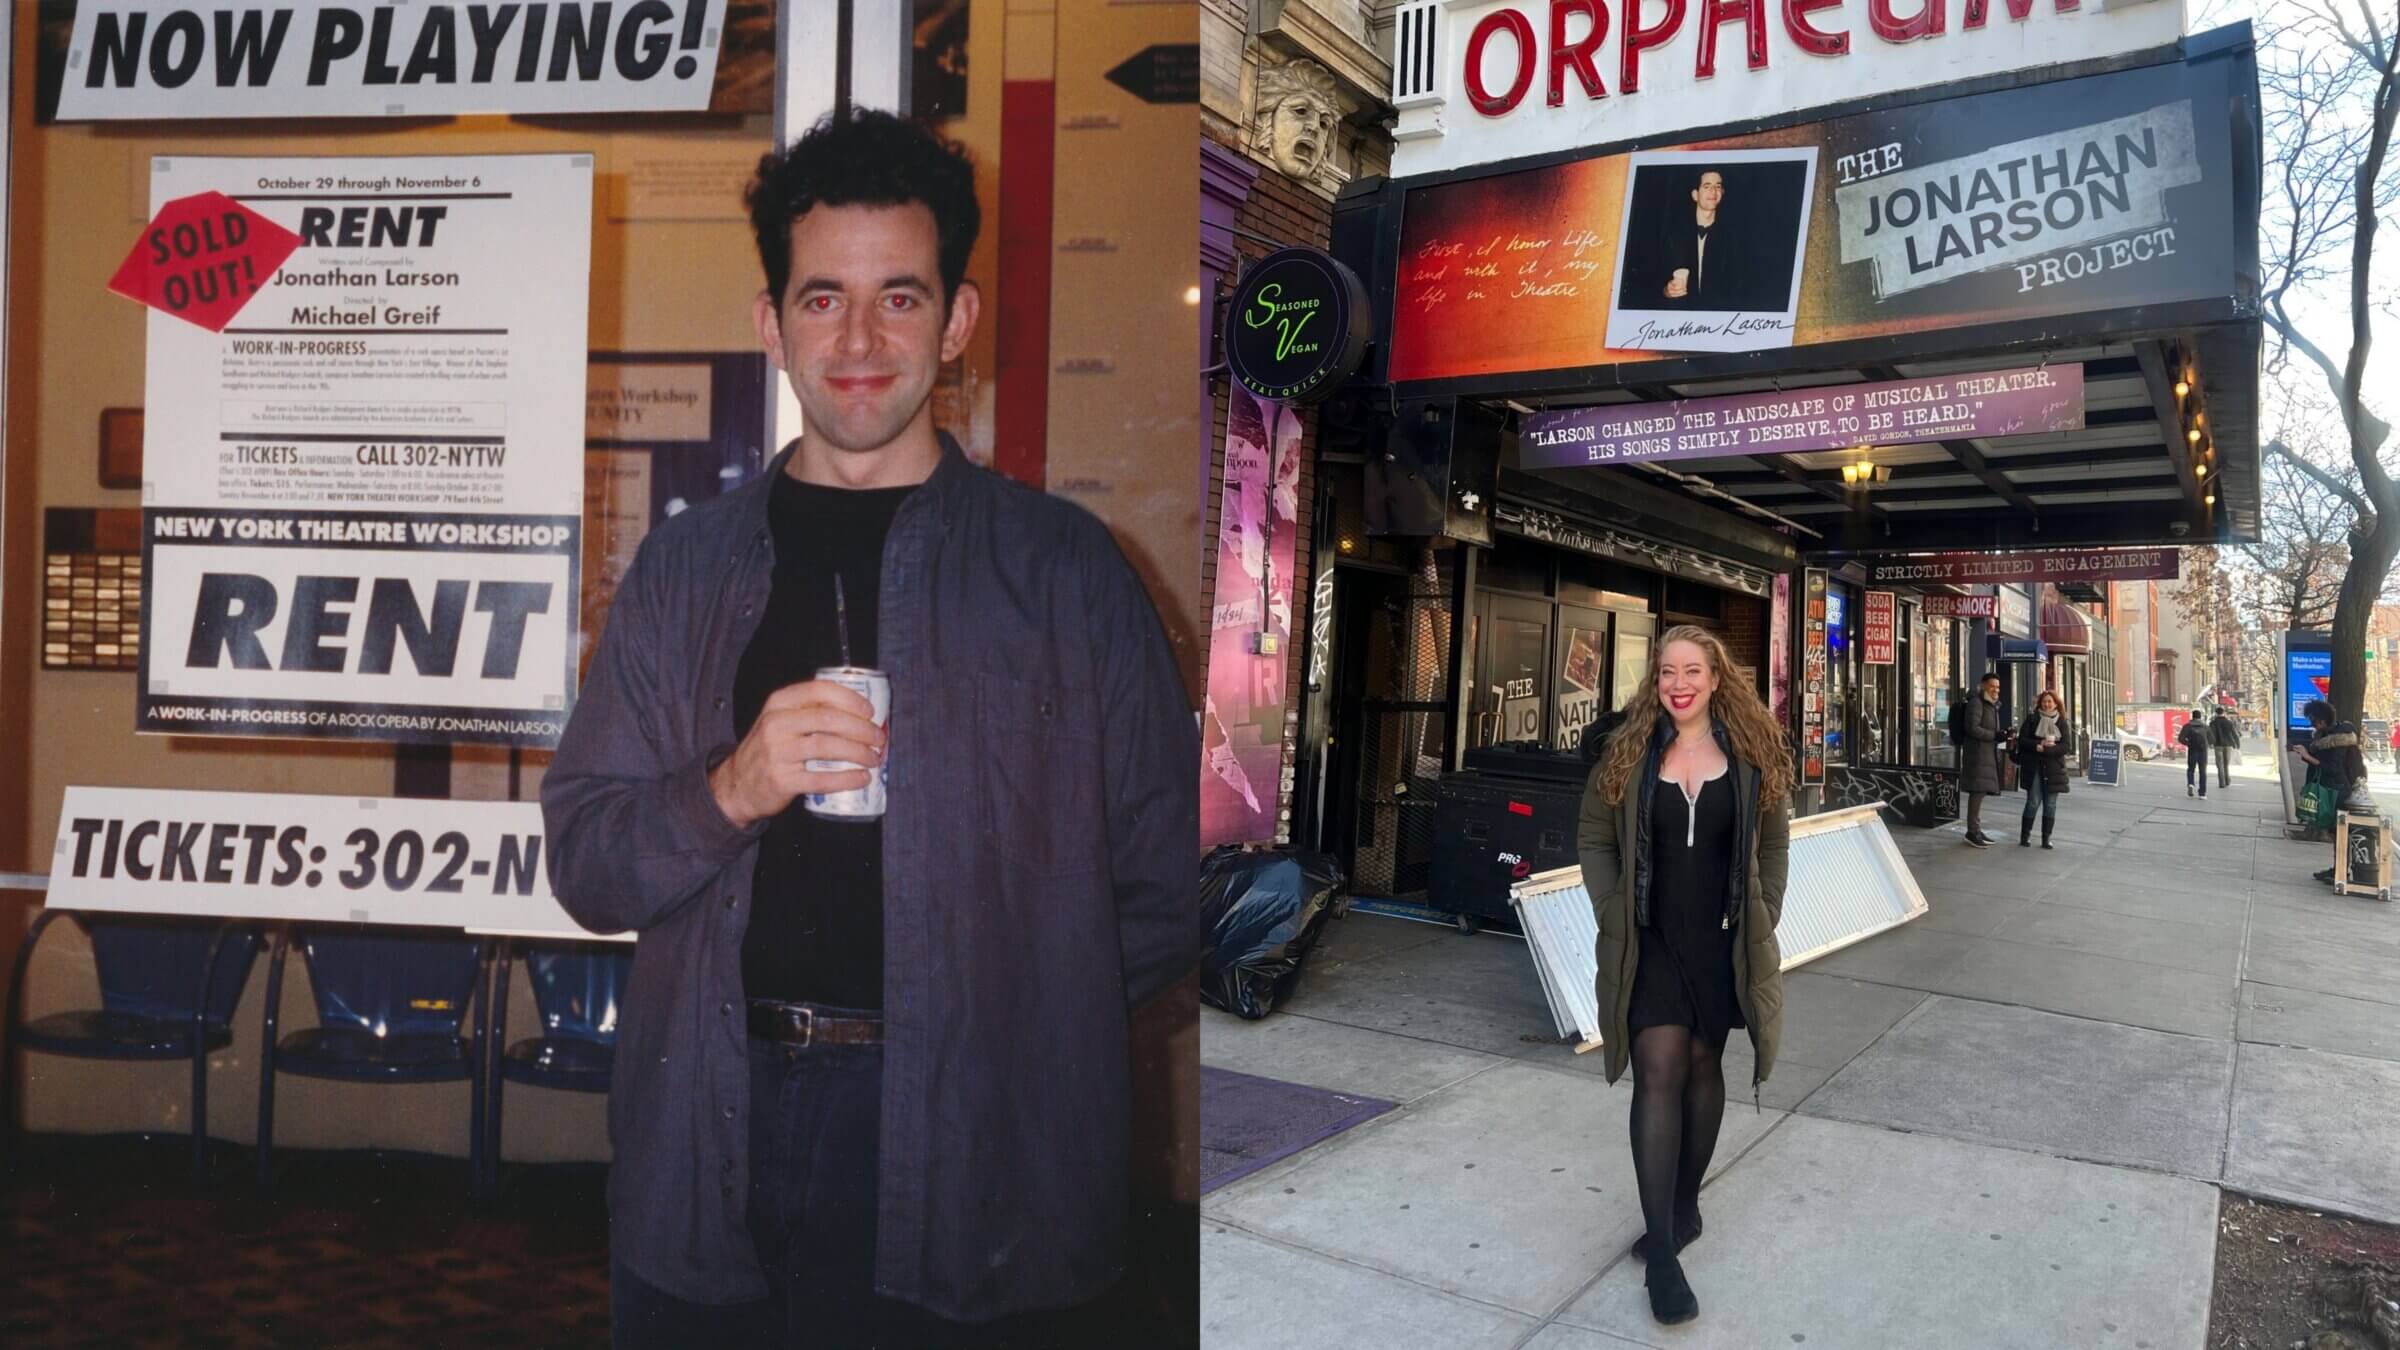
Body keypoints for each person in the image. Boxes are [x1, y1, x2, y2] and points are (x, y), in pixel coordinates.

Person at [541, 110, 1198, 1349]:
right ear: (771, 322)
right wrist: (731, 785)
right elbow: (585, 862)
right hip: (709, 1144)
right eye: (821, 299)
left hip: (975, 1159)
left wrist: (1005, 1027)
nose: (855, 340)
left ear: (955, 321)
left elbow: (1161, 892)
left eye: (899, 299)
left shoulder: (1066, 576)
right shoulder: (682, 573)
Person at [1578, 625, 1792, 1328]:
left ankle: (1685, 1203)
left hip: (1719, 941)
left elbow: (1774, 841)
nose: (1679, 682)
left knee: (1704, 1068)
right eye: (1667, 671)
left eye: (1693, 670)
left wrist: (1765, 914)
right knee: (1659, 1067)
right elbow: (1594, 838)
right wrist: (1613, 910)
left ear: (1716, 676)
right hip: (1650, 940)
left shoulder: (1753, 752)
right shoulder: (1629, 751)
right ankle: (1663, 1254)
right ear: (1656, 680)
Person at [2296, 699, 2370, 884]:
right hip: (2335, 789)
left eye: (2313, 720)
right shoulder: (2328, 737)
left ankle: (2341, 870)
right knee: (2335, 832)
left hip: (2338, 791)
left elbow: (2332, 768)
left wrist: (2307, 756)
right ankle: (2339, 868)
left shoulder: (2336, 741)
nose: (2312, 724)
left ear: (2322, 720)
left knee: (2339, 832)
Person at [2014, 690, 2071, 848]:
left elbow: (2066, 746)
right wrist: (2038, 746)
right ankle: (2025, 836)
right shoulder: (2032, 719)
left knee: (2050, 804)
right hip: (2034, 766)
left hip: (2054, 769)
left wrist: (2048, 750)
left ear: (2056, 704)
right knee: (2033, 801)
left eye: (2050, 702)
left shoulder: (2062, 722)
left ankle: (2046, 839)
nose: (2046, 704)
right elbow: (2022, 741)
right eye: (2044, 701)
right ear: (2040, 703)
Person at [1958, 673, 2006, 847]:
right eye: (1992, 686)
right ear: (1983, 685)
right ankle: (1972, 831)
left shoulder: (1990, 705)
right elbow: (1972, 728)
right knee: (1977, 792)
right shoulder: (1976, 703)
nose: (1996, 690)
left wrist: (2002, 735)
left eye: (1998, 687)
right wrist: (1994, 735)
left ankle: (1976, 829)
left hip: (1986, 754)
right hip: (1977, 755)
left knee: (1980, 792)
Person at [2180, 710, 2211, 798]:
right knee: (2203, 772)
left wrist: (2188, 743)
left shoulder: (2187, 726)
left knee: (2191, 769)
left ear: (2192, 716)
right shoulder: (2205, 727)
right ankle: (2202, 794)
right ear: (2200, 717)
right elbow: (2212, 739)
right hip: (2203, 752)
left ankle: (2190, 783)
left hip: (2192, 750)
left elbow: (2181, 738)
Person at [2209, 707, 2240, 787]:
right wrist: (2237, 743)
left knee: (2219, 764)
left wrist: (2210, 743)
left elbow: (2210, 734)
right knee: (2226, 764)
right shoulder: (2229, 722)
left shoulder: (2213, 723)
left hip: (2218, 745)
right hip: (2228, 745)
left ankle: (2221, 783)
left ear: (2216, 713)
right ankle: (2227, 780)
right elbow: (2234, 733)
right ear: (2224, 713)